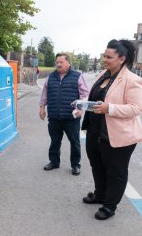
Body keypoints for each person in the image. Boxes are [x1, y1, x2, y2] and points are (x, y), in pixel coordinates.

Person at [81, 39, 142, 220]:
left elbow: (136, 108)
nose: (104, 59)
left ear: (122, 59)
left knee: (116, 172)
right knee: (97, 166)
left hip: (118, 137)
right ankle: (100, 195)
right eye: (104, 55)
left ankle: (109, 205)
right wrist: (82, 105)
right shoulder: (103, 74)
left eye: (109, 57)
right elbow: (95, 97)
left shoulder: (133, 80)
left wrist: (110, 108)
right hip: (95, 132)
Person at [39, 53, 89, 175]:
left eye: (61, 62)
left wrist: (80, 108)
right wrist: (42, 108)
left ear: (68, 63)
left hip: (71, 117)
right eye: (57, 62)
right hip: (54, 116)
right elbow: (44, 94)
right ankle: (54, 162)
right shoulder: (50, 77)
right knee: (55, 140)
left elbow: (85, 94)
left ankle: (76, 165)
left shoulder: (78, 76)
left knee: (74, 142)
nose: (58, 64)